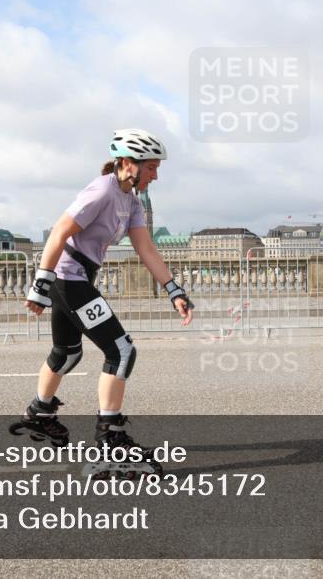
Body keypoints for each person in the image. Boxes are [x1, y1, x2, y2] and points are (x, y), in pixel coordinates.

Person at [11, 129, 194, 463]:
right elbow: (59, 232)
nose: (156, 175)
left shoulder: (132, 201)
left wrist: (174, 289)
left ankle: (40, 412)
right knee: (122, 351)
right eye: (151, 167)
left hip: (79, 277)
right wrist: (41, 284)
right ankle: (110, 437)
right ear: (127, 163)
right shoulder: (101, 191)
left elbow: (146, 248)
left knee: (67, 353)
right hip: (68, 278)